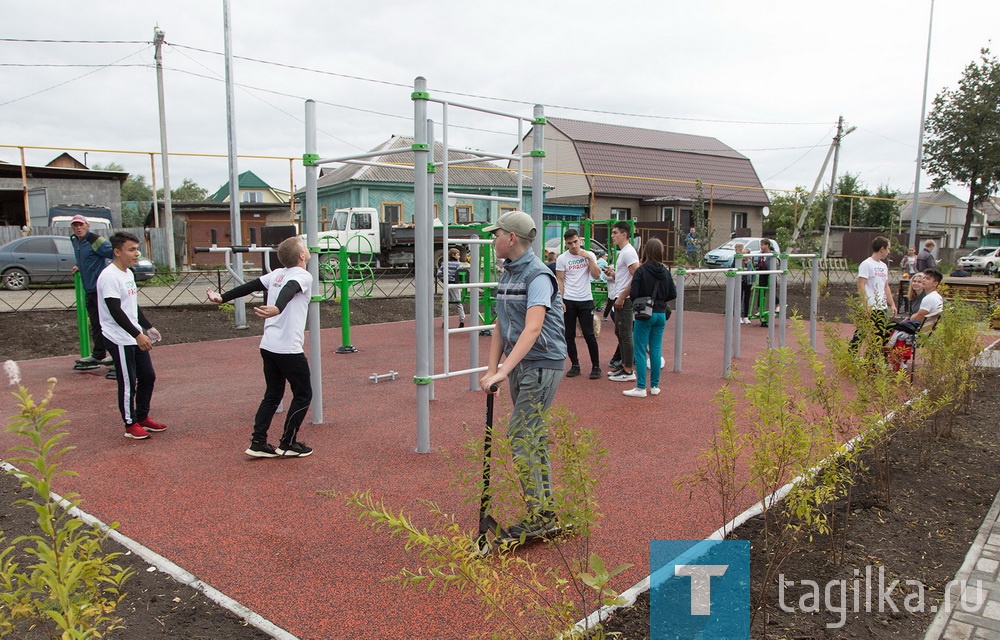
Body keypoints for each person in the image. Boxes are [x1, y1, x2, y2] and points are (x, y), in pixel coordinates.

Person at [480, 211, 566, 539]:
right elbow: (501, 325)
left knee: (521, 435)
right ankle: (545, 509)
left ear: (512, 238)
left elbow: (533, 327)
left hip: (542, 362)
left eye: (496, 234)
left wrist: (504, 370)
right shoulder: (508, 274)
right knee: (532, 437)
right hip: (520, 364)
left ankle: (541, 513)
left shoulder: (537, 276)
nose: (493, 240)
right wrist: (492, 371)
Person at [206, 236, 315, 458]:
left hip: (268, 345)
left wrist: (222, 297)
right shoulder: (303, 275)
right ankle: (288, 443)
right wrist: (278, 307)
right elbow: (291, 288)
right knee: (303, 394)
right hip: (288, 349)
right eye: (303, 246)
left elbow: (250, 286)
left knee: (273, 393)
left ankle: (258, 441)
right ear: (302, 256)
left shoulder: (276, 274)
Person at [97, 232, 166, 440]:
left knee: (148, 376)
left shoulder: (128, 273)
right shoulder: (109, 276)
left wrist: (147, 327)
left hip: (132, 334)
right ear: (117, 252)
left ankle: (142, 416)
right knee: (128, 381)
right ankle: (130, 424)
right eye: (131, 249)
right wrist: (137, 335)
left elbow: (131, 305)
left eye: (137, 249)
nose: (137, 253)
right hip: (119, 338)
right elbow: (115, 311)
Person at [624, 238, 675, 398]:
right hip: (661, 313)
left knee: (639, 349)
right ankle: (654, 386)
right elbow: (672, 293)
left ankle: (640, 387)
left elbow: (634, 293)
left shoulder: (641, 270)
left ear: (645, 251)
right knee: (656, 349)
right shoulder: (665, 271)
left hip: (645, 313)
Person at [70, 214, 115, 371]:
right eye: (75, 225)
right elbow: (85, 257)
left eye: (81, 225)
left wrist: (114, 273)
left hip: (101, 289)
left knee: (109, 322)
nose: (78, 228)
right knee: (95, 323)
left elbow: (113, 253)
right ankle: (98, 354)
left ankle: (117, 356)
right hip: (89, 289)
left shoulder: (95, 239)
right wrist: (78, 265)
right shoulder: (75, 241)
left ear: (87, 226)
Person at [555, 229, 602, 380]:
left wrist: (589, 258)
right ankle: (575, 365)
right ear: (566, 244)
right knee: (569, 335)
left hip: (585, 299)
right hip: (569, 299)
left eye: (575, 242)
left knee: (589, 334)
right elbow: (560, 280)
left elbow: (596, 275)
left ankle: (596, 366)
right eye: (570, 243)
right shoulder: (562, 258)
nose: (573, 245)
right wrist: (560, 299)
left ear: (580, 240)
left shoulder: (589, 255)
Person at [604, 222, 640, 382]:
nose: (612, 235)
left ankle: (628, 370)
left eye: (615, 233)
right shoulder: (623, 252)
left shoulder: (628, 253)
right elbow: (626, 276)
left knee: (625, 334)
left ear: (624, 234)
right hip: (620, 296)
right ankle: (623, 364)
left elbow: (636, 277)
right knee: (620, 332)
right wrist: (614, 274)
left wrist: (622, 296)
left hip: (624, 299)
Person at [850, 236, 897, 352]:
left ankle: (872, 360)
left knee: (880, 335)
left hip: (881, 306)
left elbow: (885, 286)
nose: (888, 252)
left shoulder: (883, 266)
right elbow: (861, 285)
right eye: (888, 249)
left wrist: (892, 304)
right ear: (882, 248)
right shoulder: (867, 264)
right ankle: (851, 356)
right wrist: (865, 303)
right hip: (870, 305)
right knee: (861, 333)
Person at [437, 247, 467, 328]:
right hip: (455, 284)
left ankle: (444, 322)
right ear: (454, 255)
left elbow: (439, 273)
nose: (459, 256)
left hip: (447, 284)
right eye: (458, 255)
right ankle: (462, 319)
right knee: (458, 302)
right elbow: (461, 273)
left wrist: (444, 280)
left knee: (445, 303)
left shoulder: (444, 263)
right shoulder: (458, 264)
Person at [754, 239, 778, 328]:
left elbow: (777, 260)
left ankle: (777, 304)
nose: (761, 247)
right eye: (761, 245)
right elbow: (758, 261)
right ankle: (760, 308)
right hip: (762, 272)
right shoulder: (761, 253)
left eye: (763, 245)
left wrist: (776, 261)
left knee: (772, 289)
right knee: (761, 290)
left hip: (770, 273)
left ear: (767, 245)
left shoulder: (772, 253)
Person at [734, 243, 754, 324]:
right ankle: (738, 316)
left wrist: (753, 283)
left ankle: (745, 316)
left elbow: (753, 273)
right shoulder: (738, 261)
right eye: (743, 254)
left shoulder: (750, 263)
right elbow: (732, 267)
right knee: (739, 299)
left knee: (746, 299)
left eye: (746, 255)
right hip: (740, 282)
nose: (744, 256)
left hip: (748, 282)